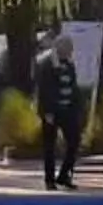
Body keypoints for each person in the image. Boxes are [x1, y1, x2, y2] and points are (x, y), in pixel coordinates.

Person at [37, 34, 85, 189]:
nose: (71, 51)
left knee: (74, 141)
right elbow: (44, 90)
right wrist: (47, 112)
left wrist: (78, 107)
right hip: (52, 111)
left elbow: (73, 86)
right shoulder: (47, 64)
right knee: (49, 146)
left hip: (68, 110)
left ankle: (64, 175)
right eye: (69, 48)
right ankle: (49, 180)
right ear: (60, 48)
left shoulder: (69, 64)